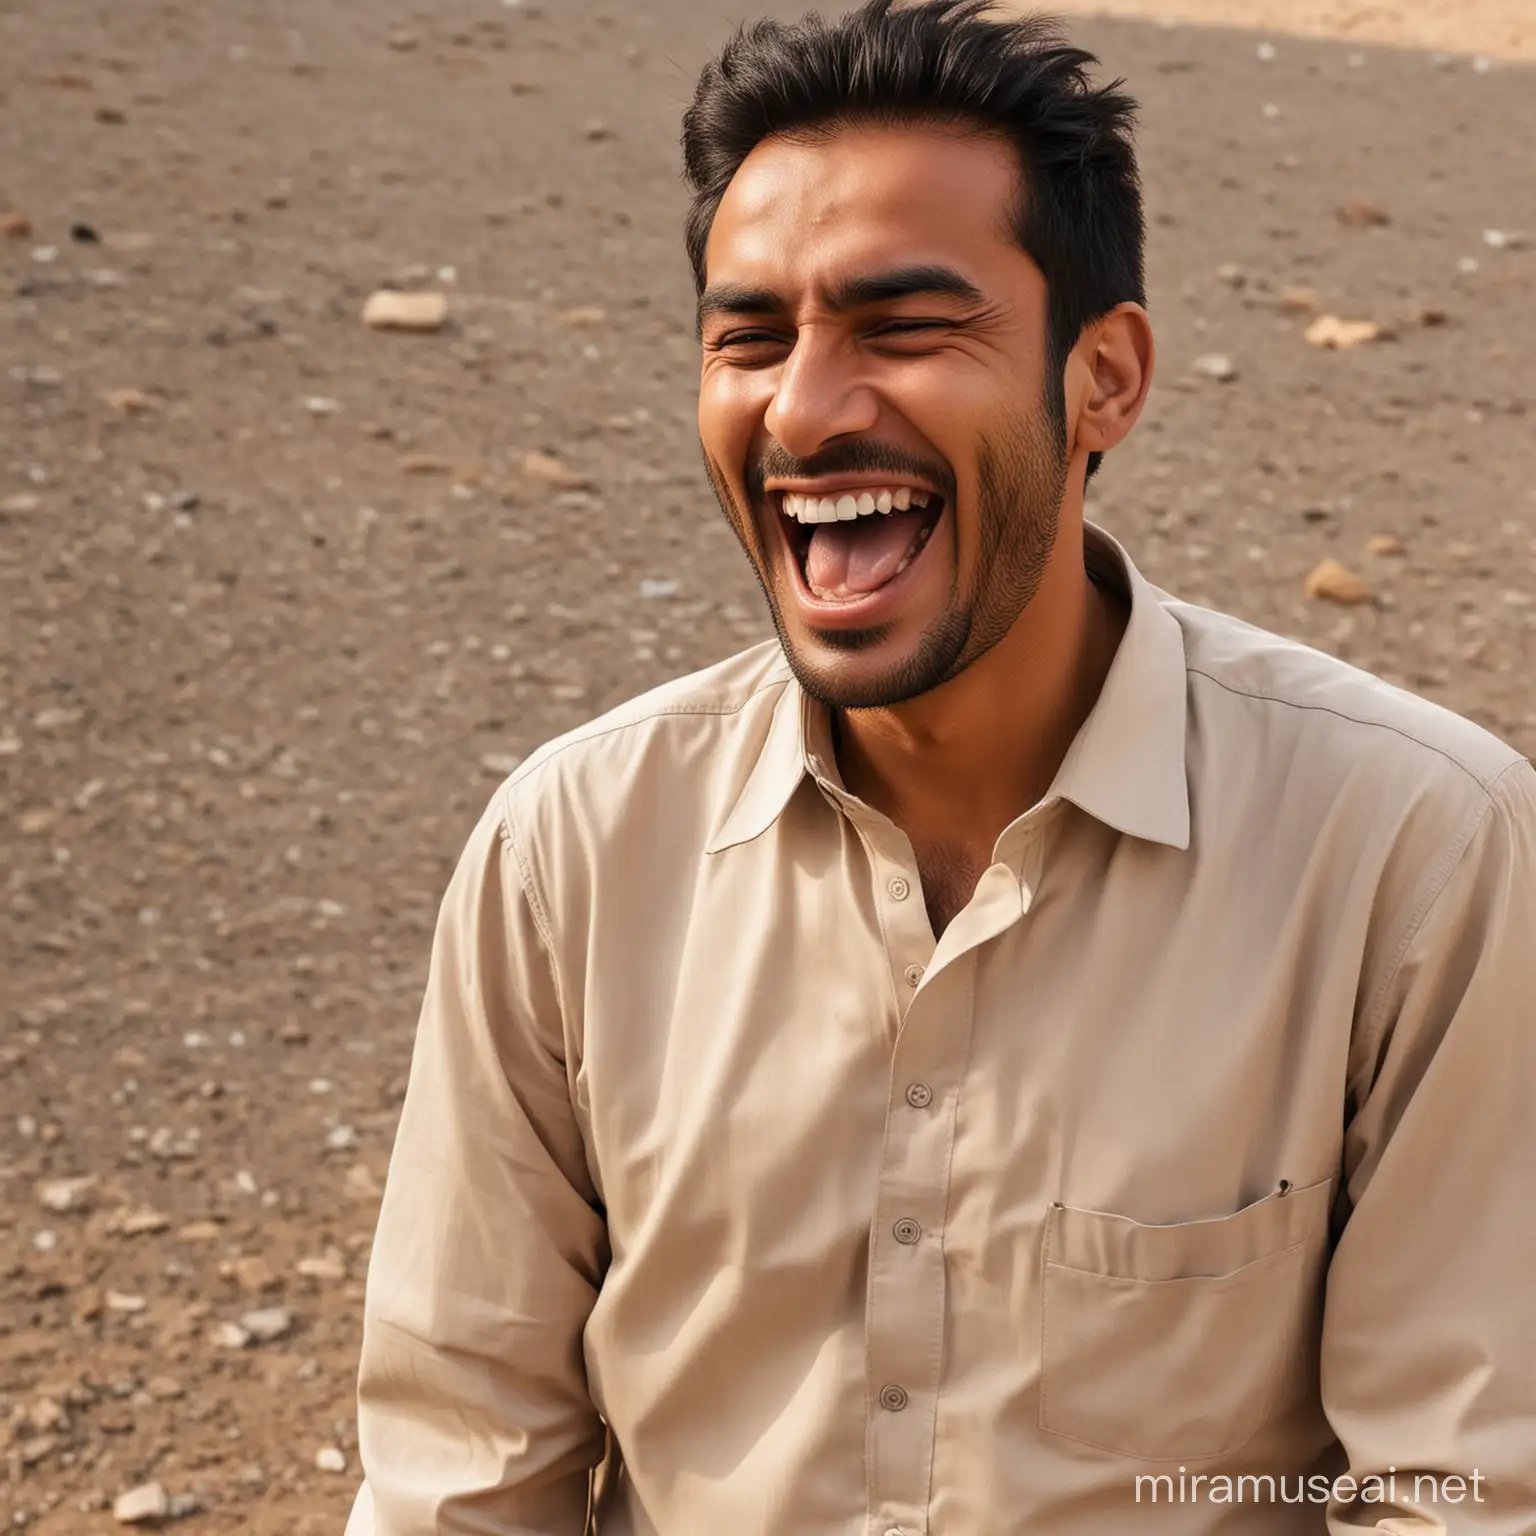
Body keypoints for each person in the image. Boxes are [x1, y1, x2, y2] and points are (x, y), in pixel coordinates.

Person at [345, 2, 1536, 1531]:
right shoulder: (572, 850)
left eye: (905, 329)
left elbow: (1466, 1489)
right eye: (750, 337)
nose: (803, 408)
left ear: (1104, 379)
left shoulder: (1413, 855)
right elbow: (462, 1469)